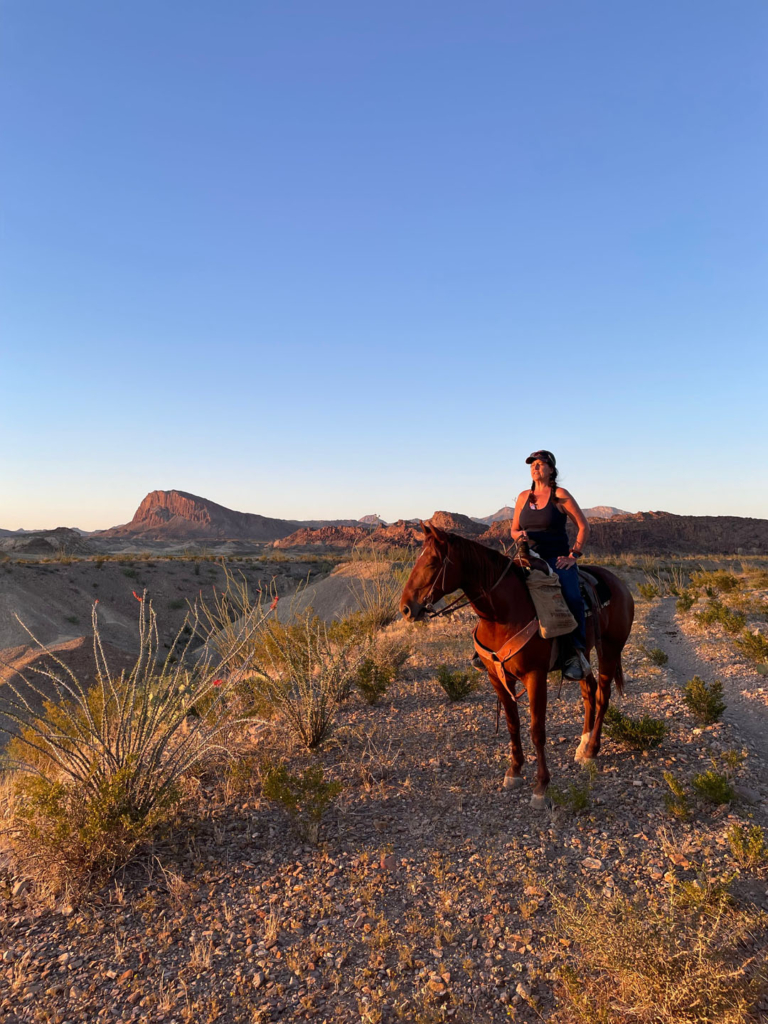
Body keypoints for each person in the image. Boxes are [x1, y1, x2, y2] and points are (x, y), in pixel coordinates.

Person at [510, 450, 591, 680]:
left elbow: (584, 526)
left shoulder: (560, 494)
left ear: (551, 469)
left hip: (556, 559)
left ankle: (576, 652)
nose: (535, 468)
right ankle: (488, 646)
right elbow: (514, 528)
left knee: (572, 596)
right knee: (499, 584)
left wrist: (573, 554)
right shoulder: (524, 496)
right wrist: (519, 536)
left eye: (540, 464)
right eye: (532, 465)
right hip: (528, 557)